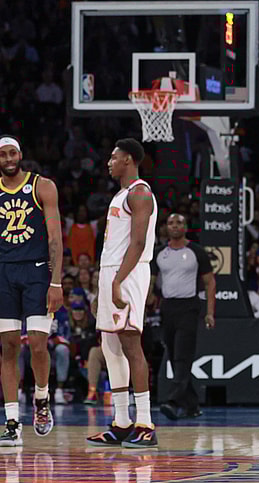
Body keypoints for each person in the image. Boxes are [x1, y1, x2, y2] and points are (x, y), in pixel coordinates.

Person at [85, 138, 159, 448]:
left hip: (127, 273)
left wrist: (116, 282)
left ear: (128, 159)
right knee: (110, 346)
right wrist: (102, 285)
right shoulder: (122, 194)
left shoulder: (140, 192)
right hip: (112, 272)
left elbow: (139, 243)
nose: (109, 162)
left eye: (114, 157)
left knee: (130, 342)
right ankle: (121, 423)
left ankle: (145, 424)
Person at [0, 135, 64, 446]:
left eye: (12, 153)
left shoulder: (42, 186)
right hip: (3, 273)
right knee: (9, 347)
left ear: (20, 154)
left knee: (38, 345)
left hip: (37, 271)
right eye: (3, 155)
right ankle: (12, 421)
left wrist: (57, 281)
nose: (8, 158)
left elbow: (55, 238)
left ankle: (41, 398)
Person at [150, 213, 216, 421]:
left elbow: (210, 283)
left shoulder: (196, 251)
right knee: (173, 357)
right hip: (168, 308)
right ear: (166, 228)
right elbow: (150, 281)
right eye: (171, 223)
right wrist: (147, 299)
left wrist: (210, 313)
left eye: (179, 222)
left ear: (186, 226)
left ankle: (172, 401)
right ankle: (192, 405)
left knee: (182, 356)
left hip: (189, 306)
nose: (175, 226)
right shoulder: (159, 253)